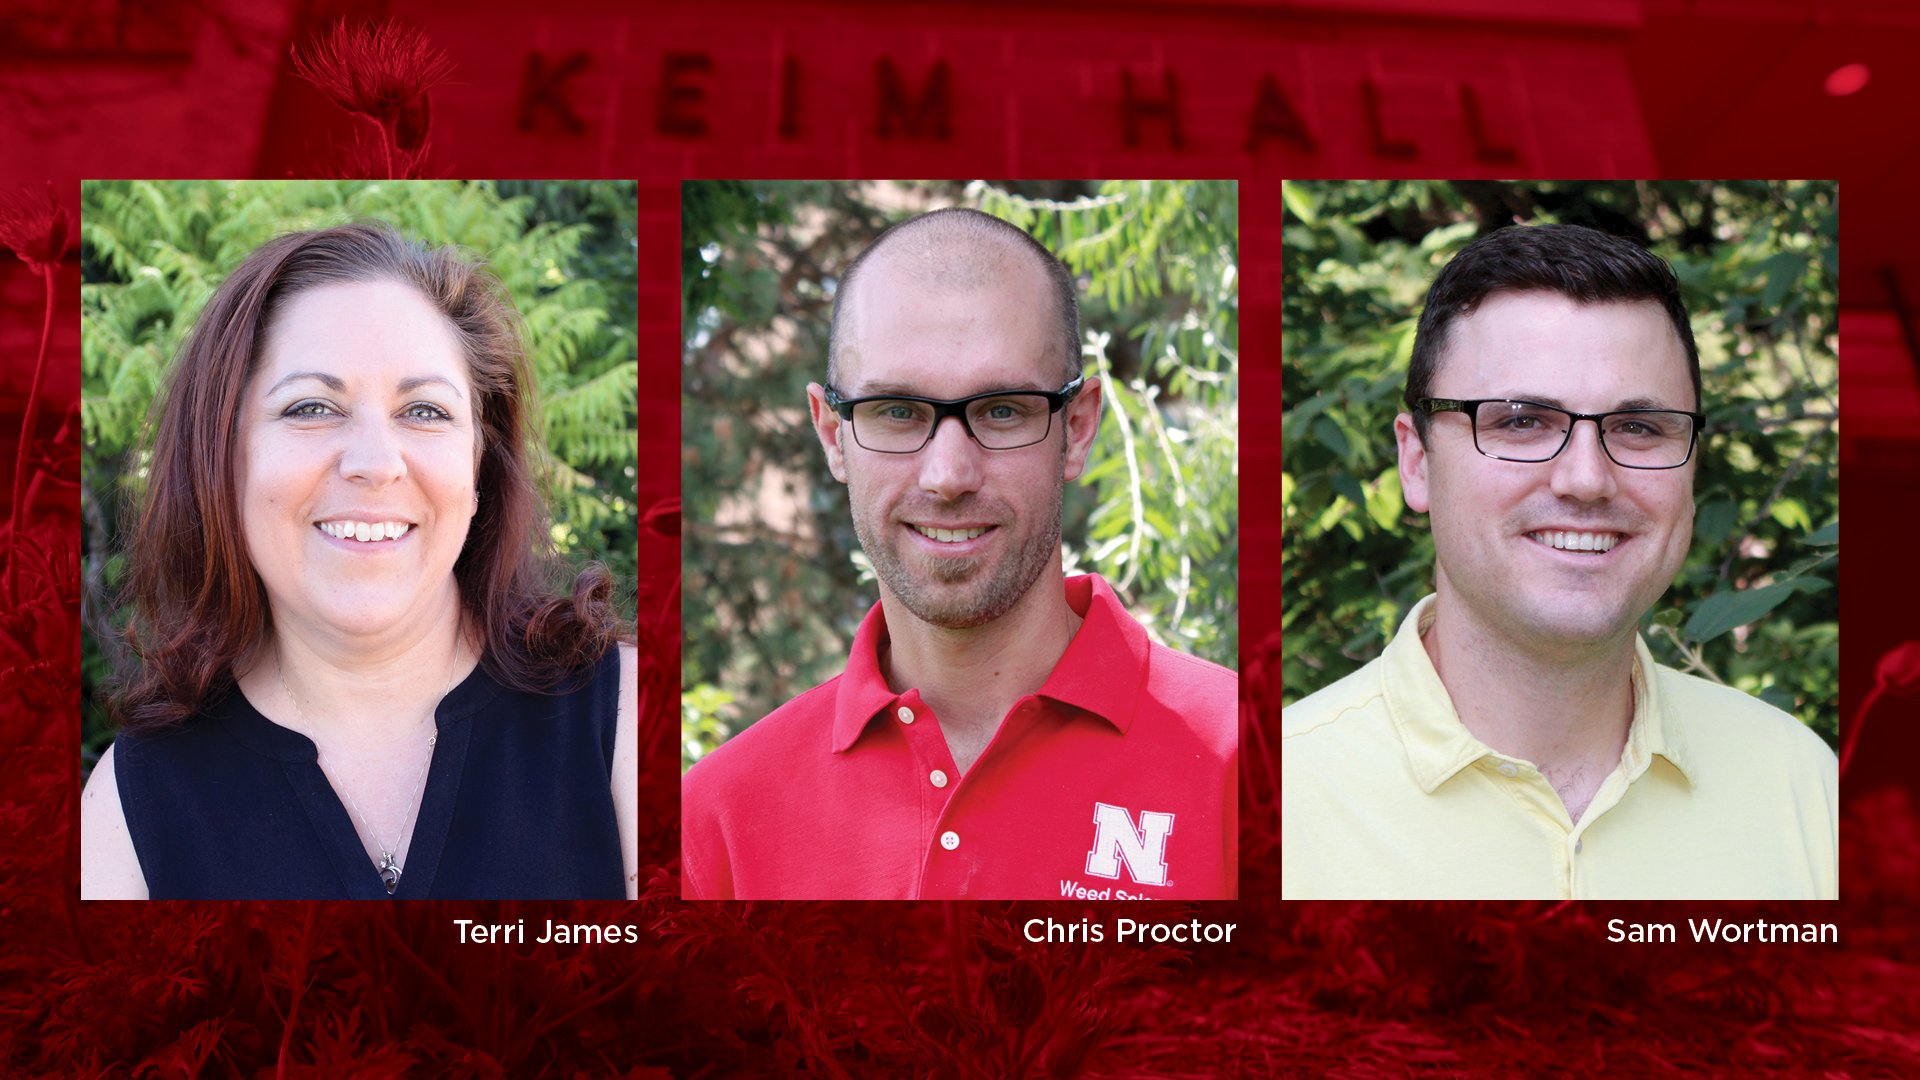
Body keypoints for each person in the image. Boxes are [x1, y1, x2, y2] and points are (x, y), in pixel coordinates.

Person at [680, 207, 1237, 900]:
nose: (947, 475)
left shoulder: (1250, 768)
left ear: (1080, 427)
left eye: (1002, 410)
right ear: (832, 434)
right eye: (897, 411)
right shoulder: (720, 819)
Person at [80, 221, 639, 900]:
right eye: (311, 407)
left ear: (478, 470)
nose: (376, 464)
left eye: (426, 412)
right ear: (220, 459)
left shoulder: (623, 723)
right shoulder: (130, 811)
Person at [1281, 223, 1837, 900]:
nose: (1585, 479)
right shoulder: (1272, 799)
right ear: (1416, 462)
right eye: (1520, 420)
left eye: (1639, 427)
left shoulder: (1803, 791)